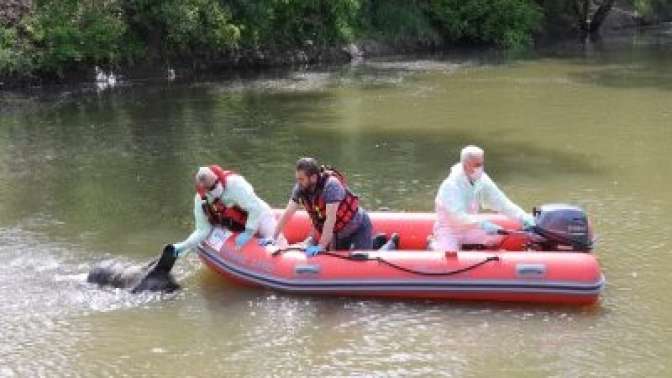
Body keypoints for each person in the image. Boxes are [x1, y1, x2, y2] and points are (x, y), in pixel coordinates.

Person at [431, 145, 535, 252]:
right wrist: (482, 223)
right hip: (449, 230)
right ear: (466, 165)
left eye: (481, 163)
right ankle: (434, 244)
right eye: (477, 165)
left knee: (497, 235)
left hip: (469, 228)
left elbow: (501, 202)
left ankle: (471, 251)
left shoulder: (481, 179)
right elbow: (457, 217)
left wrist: (523, 217)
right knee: (449, 255)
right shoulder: (451, 185)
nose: (480, 168)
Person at [170, 165, 281, 257]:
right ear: (203, 189)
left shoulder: (236, 184)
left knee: (277, 242)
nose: (214, 189)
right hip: (236, 228)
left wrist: (249, 232)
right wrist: (185, 245)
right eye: (210, 189)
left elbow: (255, 209)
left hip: (261, 217)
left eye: (215, 185)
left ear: (219, 177)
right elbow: (202, 229)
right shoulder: (201, 201)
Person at [273, 158, 372, 256]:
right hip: (338, 233)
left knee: (360, 258)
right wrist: (273, 236)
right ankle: (375, 242)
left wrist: (321, 246)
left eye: (301, 179)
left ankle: (377, 243)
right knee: (337, 256)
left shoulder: (331, 186)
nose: (299, 182)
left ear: (313, 177)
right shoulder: (301, 188)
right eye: (298, 179)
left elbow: (330, 219)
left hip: (358, 228)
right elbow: (288, 212)